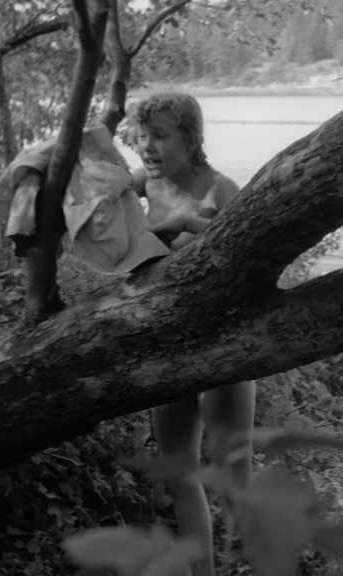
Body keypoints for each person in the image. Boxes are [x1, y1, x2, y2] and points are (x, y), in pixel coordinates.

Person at [127, 92, 255, 576]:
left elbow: (250, 250)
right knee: (180, 474)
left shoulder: (222, 189)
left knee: (232, 477)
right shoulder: (144, 182)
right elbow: (97, 194)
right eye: (141, 135)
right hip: (167, 344)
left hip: (224, 343)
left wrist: (186, 222)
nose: (147, 146)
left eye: (160, 136)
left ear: (191, 138)